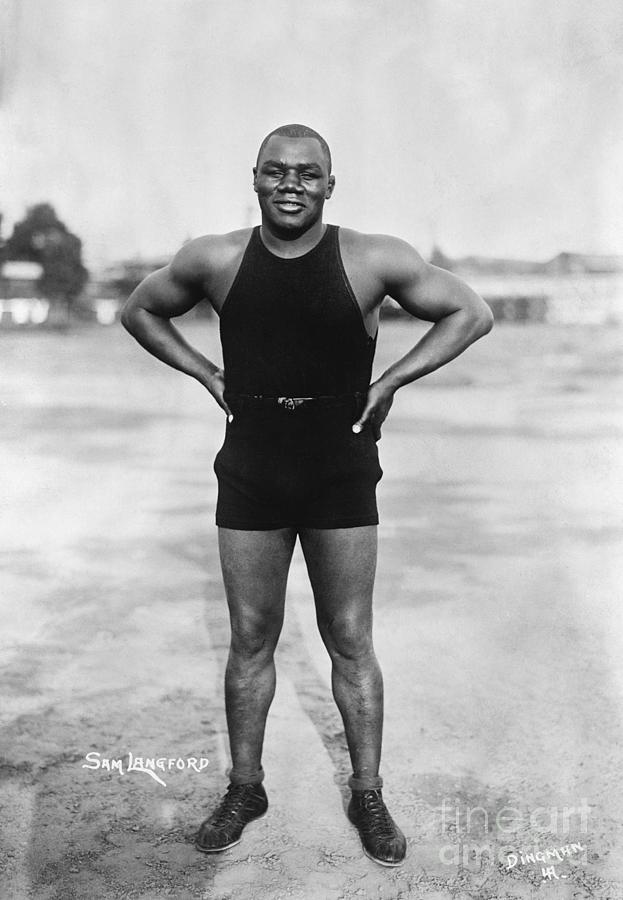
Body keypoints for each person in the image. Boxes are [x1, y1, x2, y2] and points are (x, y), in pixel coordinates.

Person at [121, 123, 493, 867]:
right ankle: (245, 786)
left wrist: (387, 381)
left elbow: (470, 313)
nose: (290, 184)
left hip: (339, 467)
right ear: (253, 178)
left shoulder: (370, 258)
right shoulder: (217, 257)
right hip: (252, 465)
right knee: (250, 639)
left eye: (306, 173)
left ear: (330, 184)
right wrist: (206, 372)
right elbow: (138, 309)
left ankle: (367, 792)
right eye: (275, 171)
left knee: (349, 638)